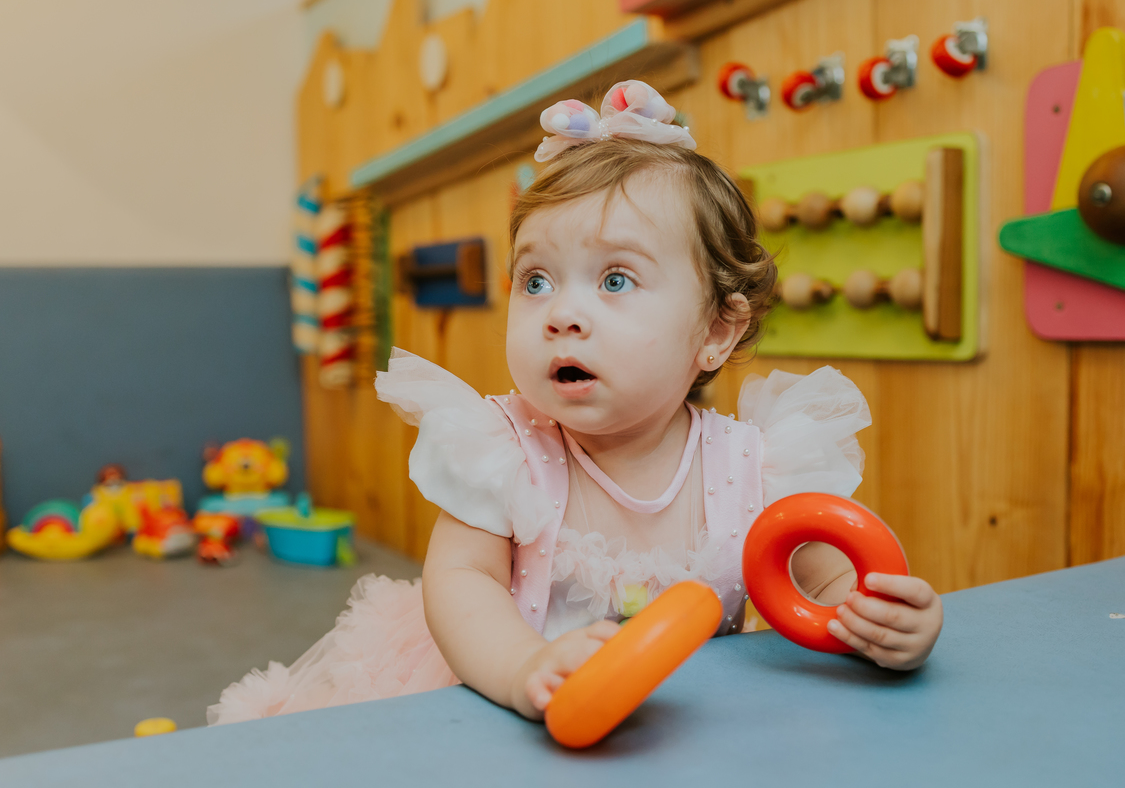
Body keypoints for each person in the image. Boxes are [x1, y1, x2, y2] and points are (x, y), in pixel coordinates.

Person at [208, 80, 942, 726]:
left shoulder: (759, 465)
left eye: (615, 280)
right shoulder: (505, 450)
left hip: (683, 729)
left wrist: (882, 625)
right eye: (536, 282)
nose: (561, 314)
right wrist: (523, 669)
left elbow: (830, 584)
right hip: (500, 708)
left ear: (716, 331)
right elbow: (461, 584)